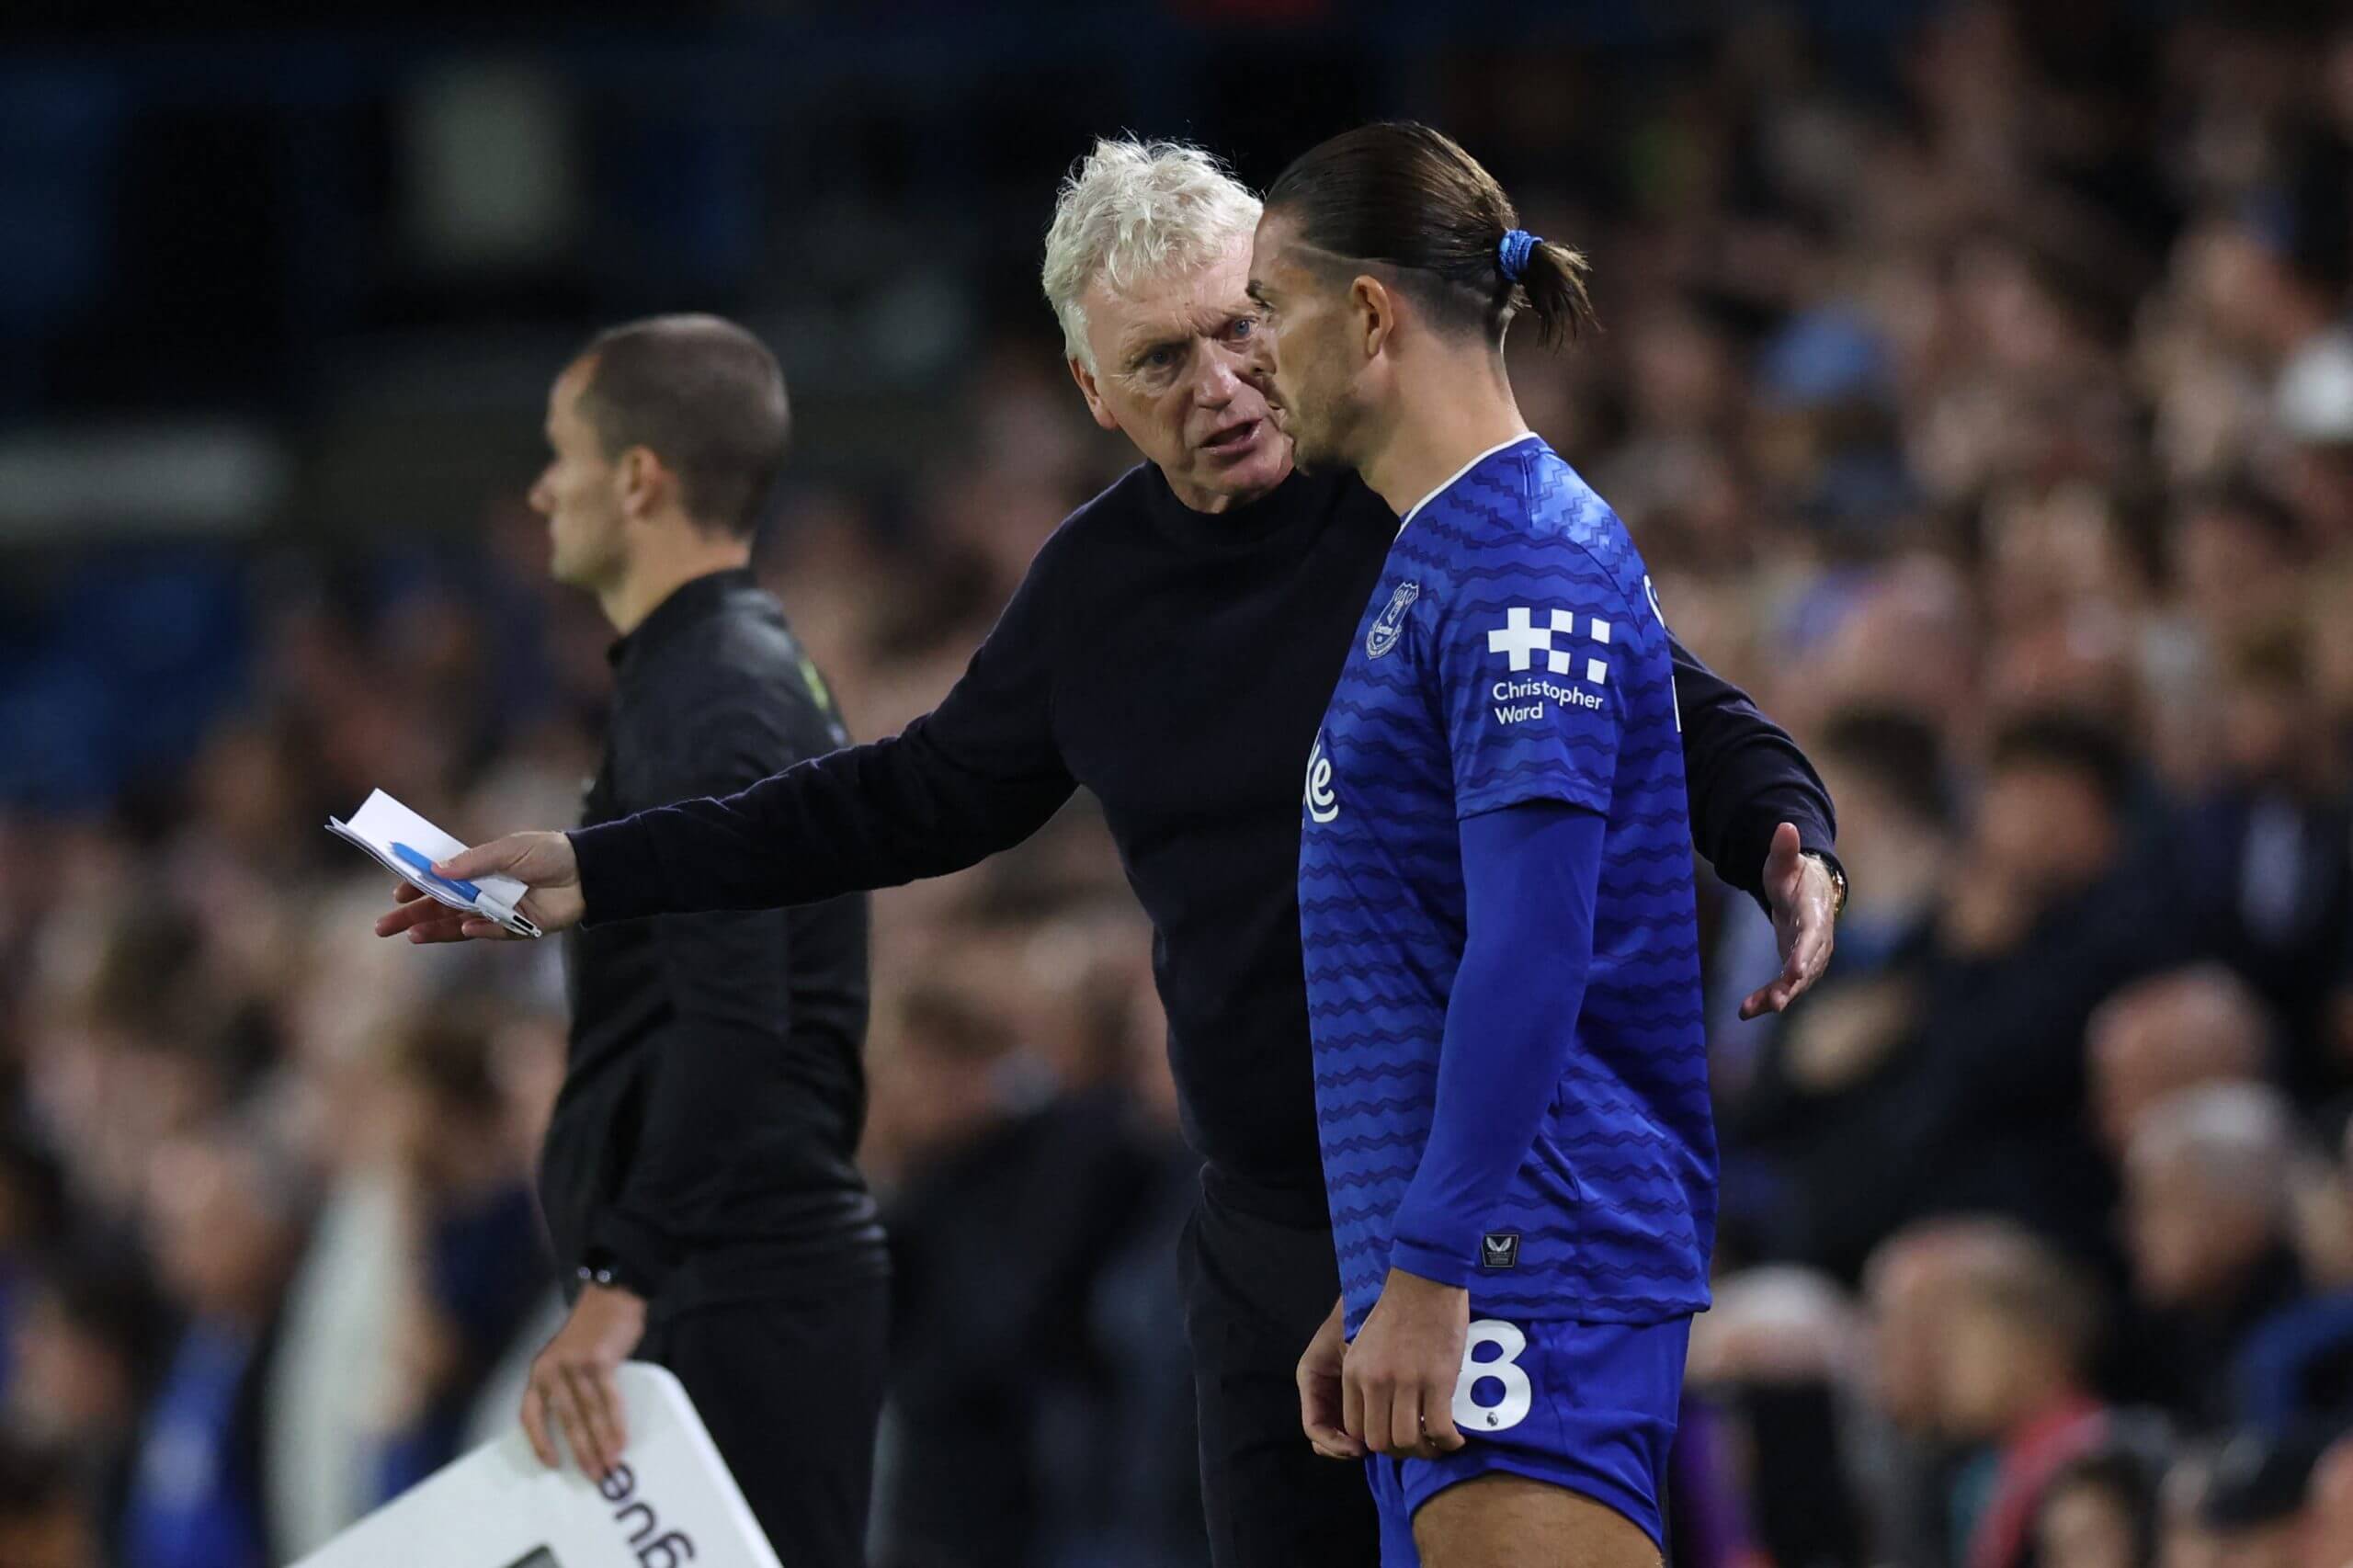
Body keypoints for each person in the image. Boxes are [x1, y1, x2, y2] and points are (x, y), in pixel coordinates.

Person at [377, 141, 1843, 1568]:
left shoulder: (1422, 506)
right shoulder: (1098, 592)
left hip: (1490, 1215)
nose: (1220, 384)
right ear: (1092, 389)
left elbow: (1652, 691)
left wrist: (1784, 827)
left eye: (1240, 326)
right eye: (1159, 361)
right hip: (1269, 1231)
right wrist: (593, 868)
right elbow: (903, 797)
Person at [1245, 119, 1712, 1568]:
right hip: (1484, 1261)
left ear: (1369, 312)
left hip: (1539, 1260)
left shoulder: (1522, 563)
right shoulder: (1443, 553)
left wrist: (1439, 1259)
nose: (1253, 352)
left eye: (1270, 308)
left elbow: (1532, 942)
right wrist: (1391, 1258)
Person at [477, 316, 889, 1568]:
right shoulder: (713, 672)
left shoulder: (712, 693)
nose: (545, 490)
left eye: (562, 454)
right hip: (733, 1278)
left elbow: (734, 1013)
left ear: (640, 476)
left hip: (732, 1285)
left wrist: (622, 1277)